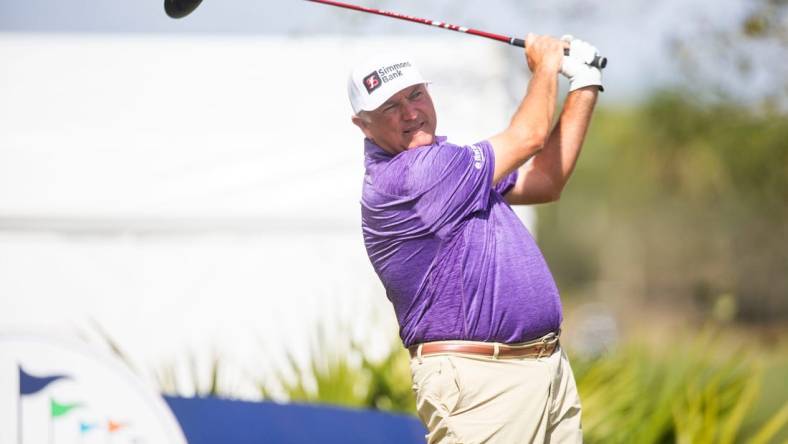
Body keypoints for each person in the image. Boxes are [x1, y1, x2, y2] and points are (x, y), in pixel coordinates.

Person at [347, 33, 602, 443]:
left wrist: (585, 83)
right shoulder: (416, 175)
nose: (410, 113)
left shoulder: (454, 168)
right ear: (363, 125)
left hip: (544, 369)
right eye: (390, 107)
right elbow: (529, 137)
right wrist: (546, 65)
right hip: (483, 384)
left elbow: (545, 181)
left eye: (415, 95)